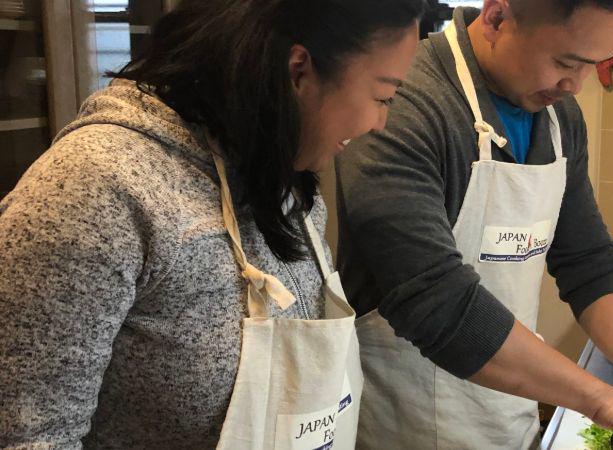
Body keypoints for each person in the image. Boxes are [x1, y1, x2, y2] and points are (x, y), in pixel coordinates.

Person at [0, 0, 423, 448]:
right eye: (382, 97)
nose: (381, 123)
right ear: (299, 69)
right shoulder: (92, 192)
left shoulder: (283, 182)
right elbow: (30, 435)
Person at [335, 0, 613, 449]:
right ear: (498, 17)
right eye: (565, 62)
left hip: (509, 407)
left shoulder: (560, 117)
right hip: (402, 422)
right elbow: (436, 301)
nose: (574, 85)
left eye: (591, 66)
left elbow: (588, 262)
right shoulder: (405, 103)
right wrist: (600, 400)